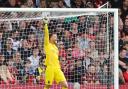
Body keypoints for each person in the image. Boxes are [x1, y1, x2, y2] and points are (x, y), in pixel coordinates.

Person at [43, 18, 68, 89]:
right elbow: (46, 35)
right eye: (54, 36)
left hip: (57, 68)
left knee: (65, 85)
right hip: (50, 68)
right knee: (48, 86)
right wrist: (46, 24)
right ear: (50, 38)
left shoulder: (56, 47)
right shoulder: (47, 44)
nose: (56, 37)